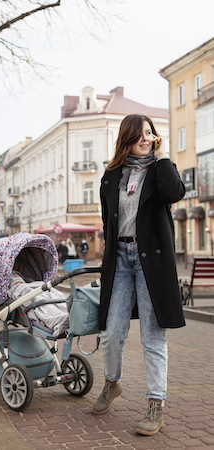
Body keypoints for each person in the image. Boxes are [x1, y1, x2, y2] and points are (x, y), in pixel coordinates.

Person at [93, 114, 186, 436]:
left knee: (152, 337)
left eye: (150, 133)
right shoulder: (111, 175)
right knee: (111, 333)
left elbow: (175, 193)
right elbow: (108, 219)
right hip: (119, 259)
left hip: (151, 263)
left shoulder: (161, 170)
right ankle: (111, 383)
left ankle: (155, 405)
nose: (146, 138)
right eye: (139, 134)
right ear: (127, 138)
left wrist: (162, 157)